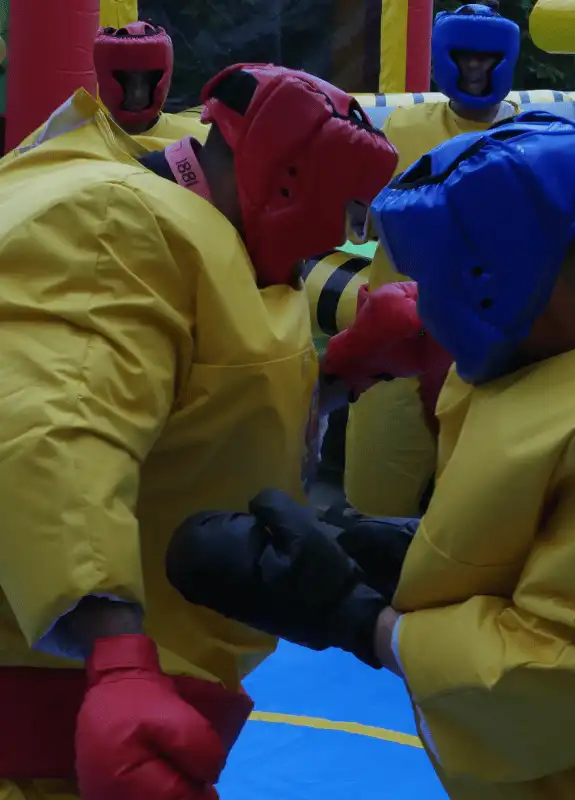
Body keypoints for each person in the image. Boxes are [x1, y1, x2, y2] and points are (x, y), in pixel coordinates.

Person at [169, 117, 575, 800]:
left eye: (429, 285)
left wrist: (355, 618)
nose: (422, 310)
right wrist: (414, 552)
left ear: (490, 277)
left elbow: (553, 682)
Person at [0, 63, 398, 800]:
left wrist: (339, 378)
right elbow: (53, 427)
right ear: (291, 178)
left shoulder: (171, 216)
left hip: (119, 717)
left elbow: (189, 408)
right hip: (60, 722)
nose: (341, 243)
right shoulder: (119, 220)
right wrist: (116, 656)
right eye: (348, 215)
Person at [344, 0, 521, 519]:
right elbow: (357, 224)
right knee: (376, 488)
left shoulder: (534, 136)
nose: (474, 70)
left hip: (487, 336)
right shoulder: (401, 127)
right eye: (464, 58)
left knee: (477, 505)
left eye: (486, 60)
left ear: (504, 63)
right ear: (446, 59)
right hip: (397, 327)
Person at [20, 21, 208, 152]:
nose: (137, 94)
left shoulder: (198, 140)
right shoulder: (65, 133)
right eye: (124, 81)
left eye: (148, 80)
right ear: (105, 80)